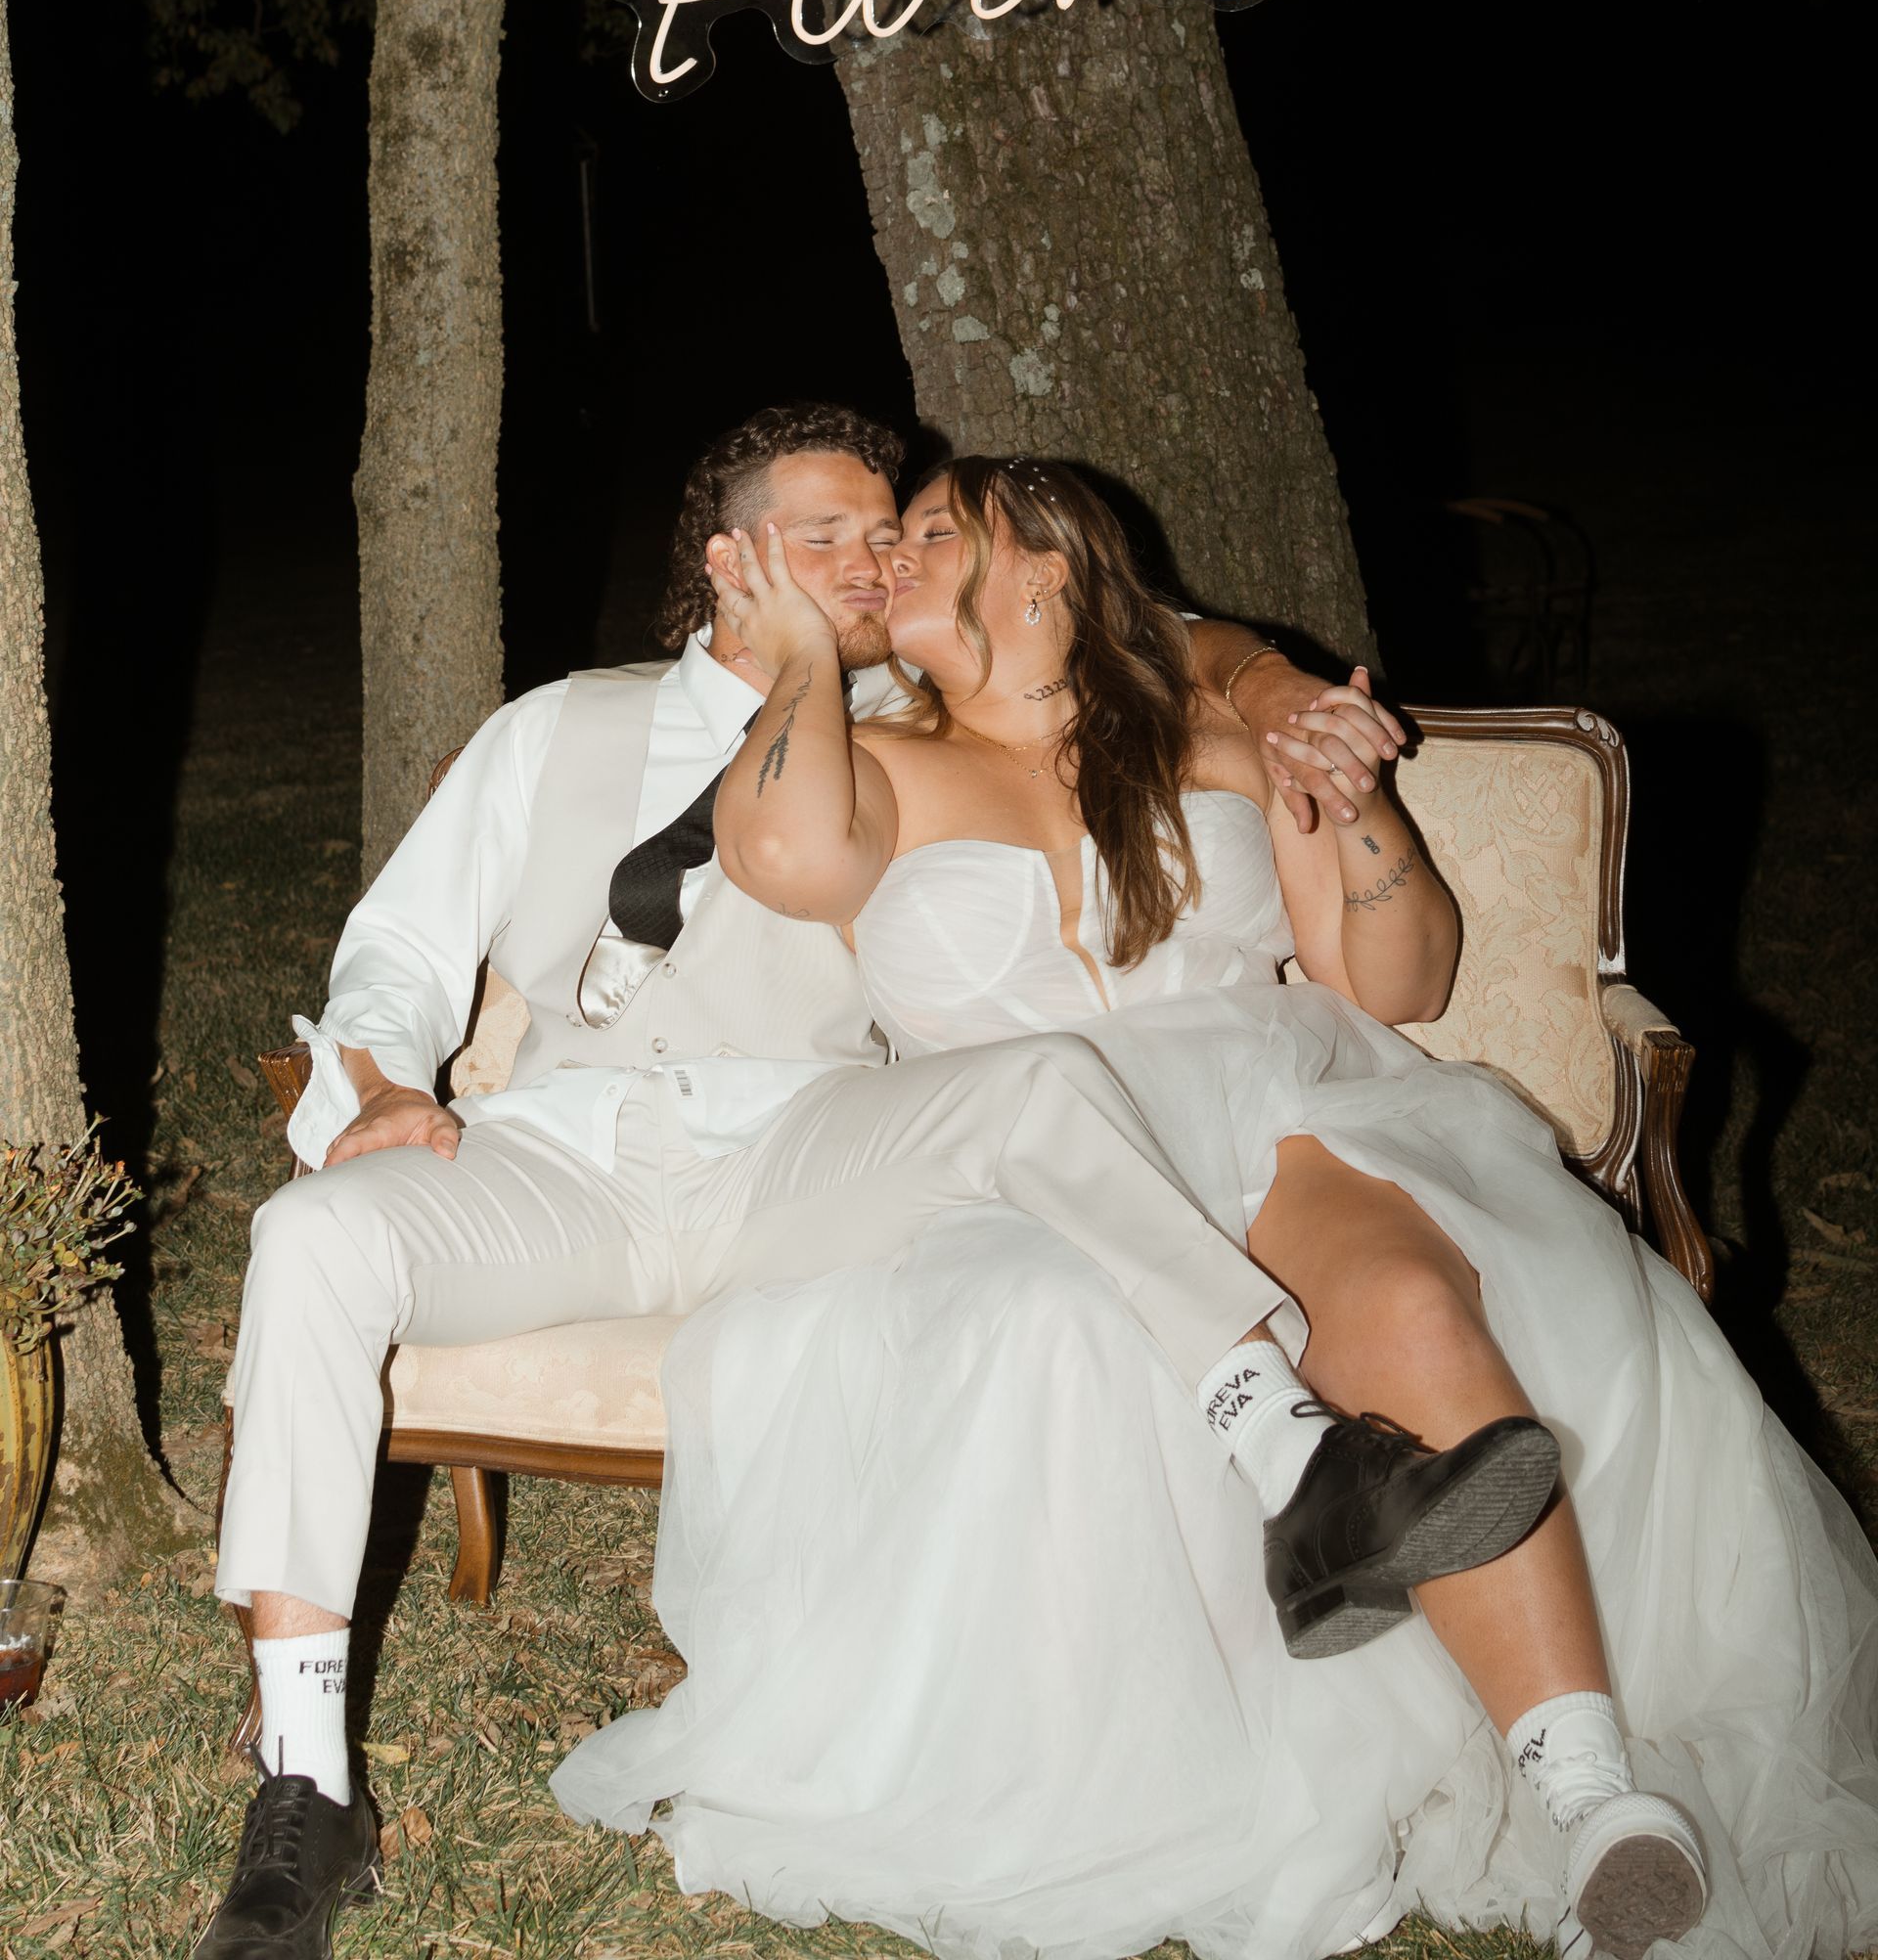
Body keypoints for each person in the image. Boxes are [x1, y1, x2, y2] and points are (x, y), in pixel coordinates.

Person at [197, 403, 1493, 1960]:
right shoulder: (560, 727)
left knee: (1034, 1082)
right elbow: (400, 949)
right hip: (568, 1156)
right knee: (312, 1240)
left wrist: (1275, 686)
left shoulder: (919, 716)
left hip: (809, 1149)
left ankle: (1294, 1457)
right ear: (730, 561)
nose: (874, 565)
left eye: (892, 537)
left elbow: (1153, 636)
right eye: (828, 539)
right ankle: (302, 1787)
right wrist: (379, 1088)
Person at [555, 456, 1878, 1960]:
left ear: (1043, 572)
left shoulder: (1212, 745)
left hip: (1276, 1104)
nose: (890, 561)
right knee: (1056, 1340)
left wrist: (1354, 799)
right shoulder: (881, 766)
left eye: (932, 534)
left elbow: (1399, 982)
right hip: (1031, 1164)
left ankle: (1595, 1805)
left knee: (1416, 1308)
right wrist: (799, 647)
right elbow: (781, 855)